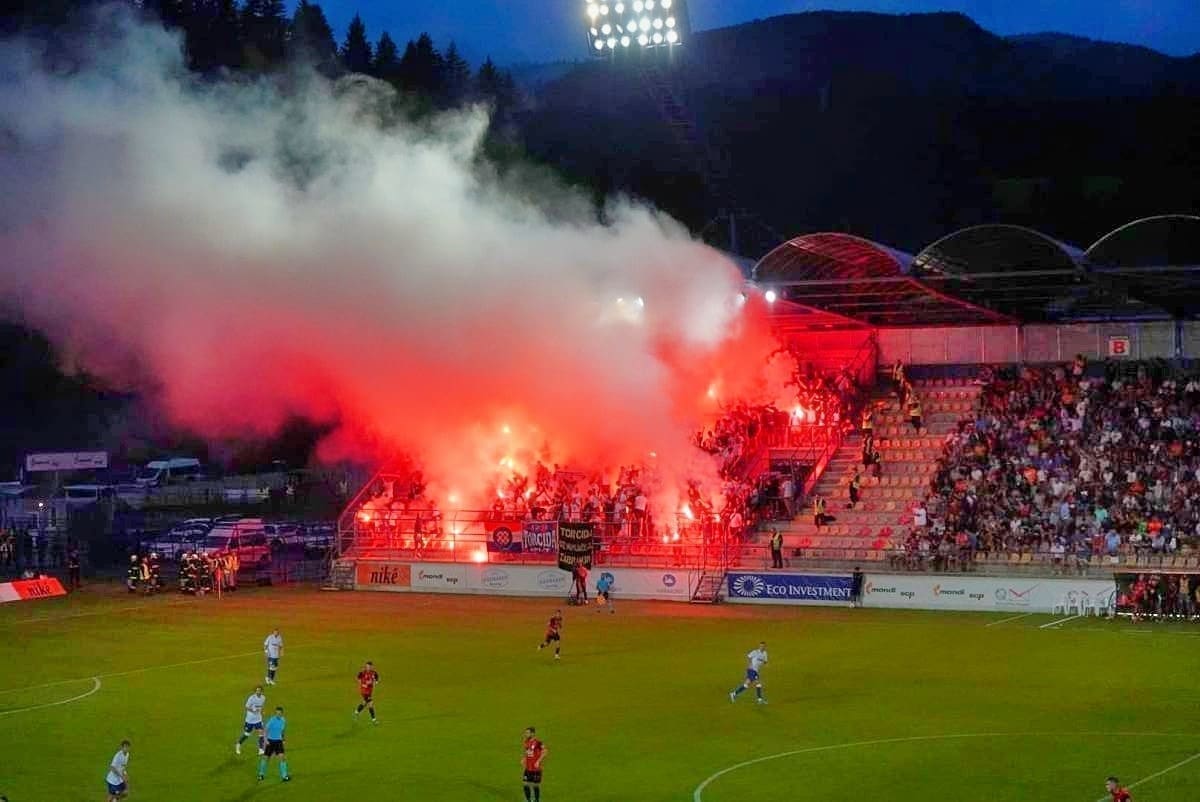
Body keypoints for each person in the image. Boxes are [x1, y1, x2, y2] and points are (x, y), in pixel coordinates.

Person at [257, 707, 290, 782]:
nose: (278, 715)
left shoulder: (283, 720)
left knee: (282, 758)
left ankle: (284, 776)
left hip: (278, 741)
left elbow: (282, 730)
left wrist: (283, 738)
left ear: (282, 713)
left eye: (279, 713)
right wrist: (265, 740)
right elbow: (265, 730)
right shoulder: (272, 720)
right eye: (277, 713)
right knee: (266, 758)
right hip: (270, 741)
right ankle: (261, 774)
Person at [235, 685, 267, 756]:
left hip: (258, 719)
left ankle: (261, 749)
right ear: (255, 691)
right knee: (247, 734)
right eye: (257, 690)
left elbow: (261, 706)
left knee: (261, 733)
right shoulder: (252, 698)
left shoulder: (263, 698)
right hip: (250, 720)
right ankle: (238, 744)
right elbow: (246, 707)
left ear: (262, 691)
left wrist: (262, 711)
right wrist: (253, 710)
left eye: (259, 691)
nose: (258, 692)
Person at [521, 726, 547, 802]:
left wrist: (538, 761)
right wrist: (524, 758)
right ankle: (528, 800)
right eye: (526, 733)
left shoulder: (538, 743)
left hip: (536, 769)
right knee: (525, 784)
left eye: (527, 733)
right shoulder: (526, 742)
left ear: (532, 733)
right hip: (528, 768)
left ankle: (536, 800)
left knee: (535, 786)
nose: (526, 734)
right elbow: (528, 752)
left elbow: (545, 751)